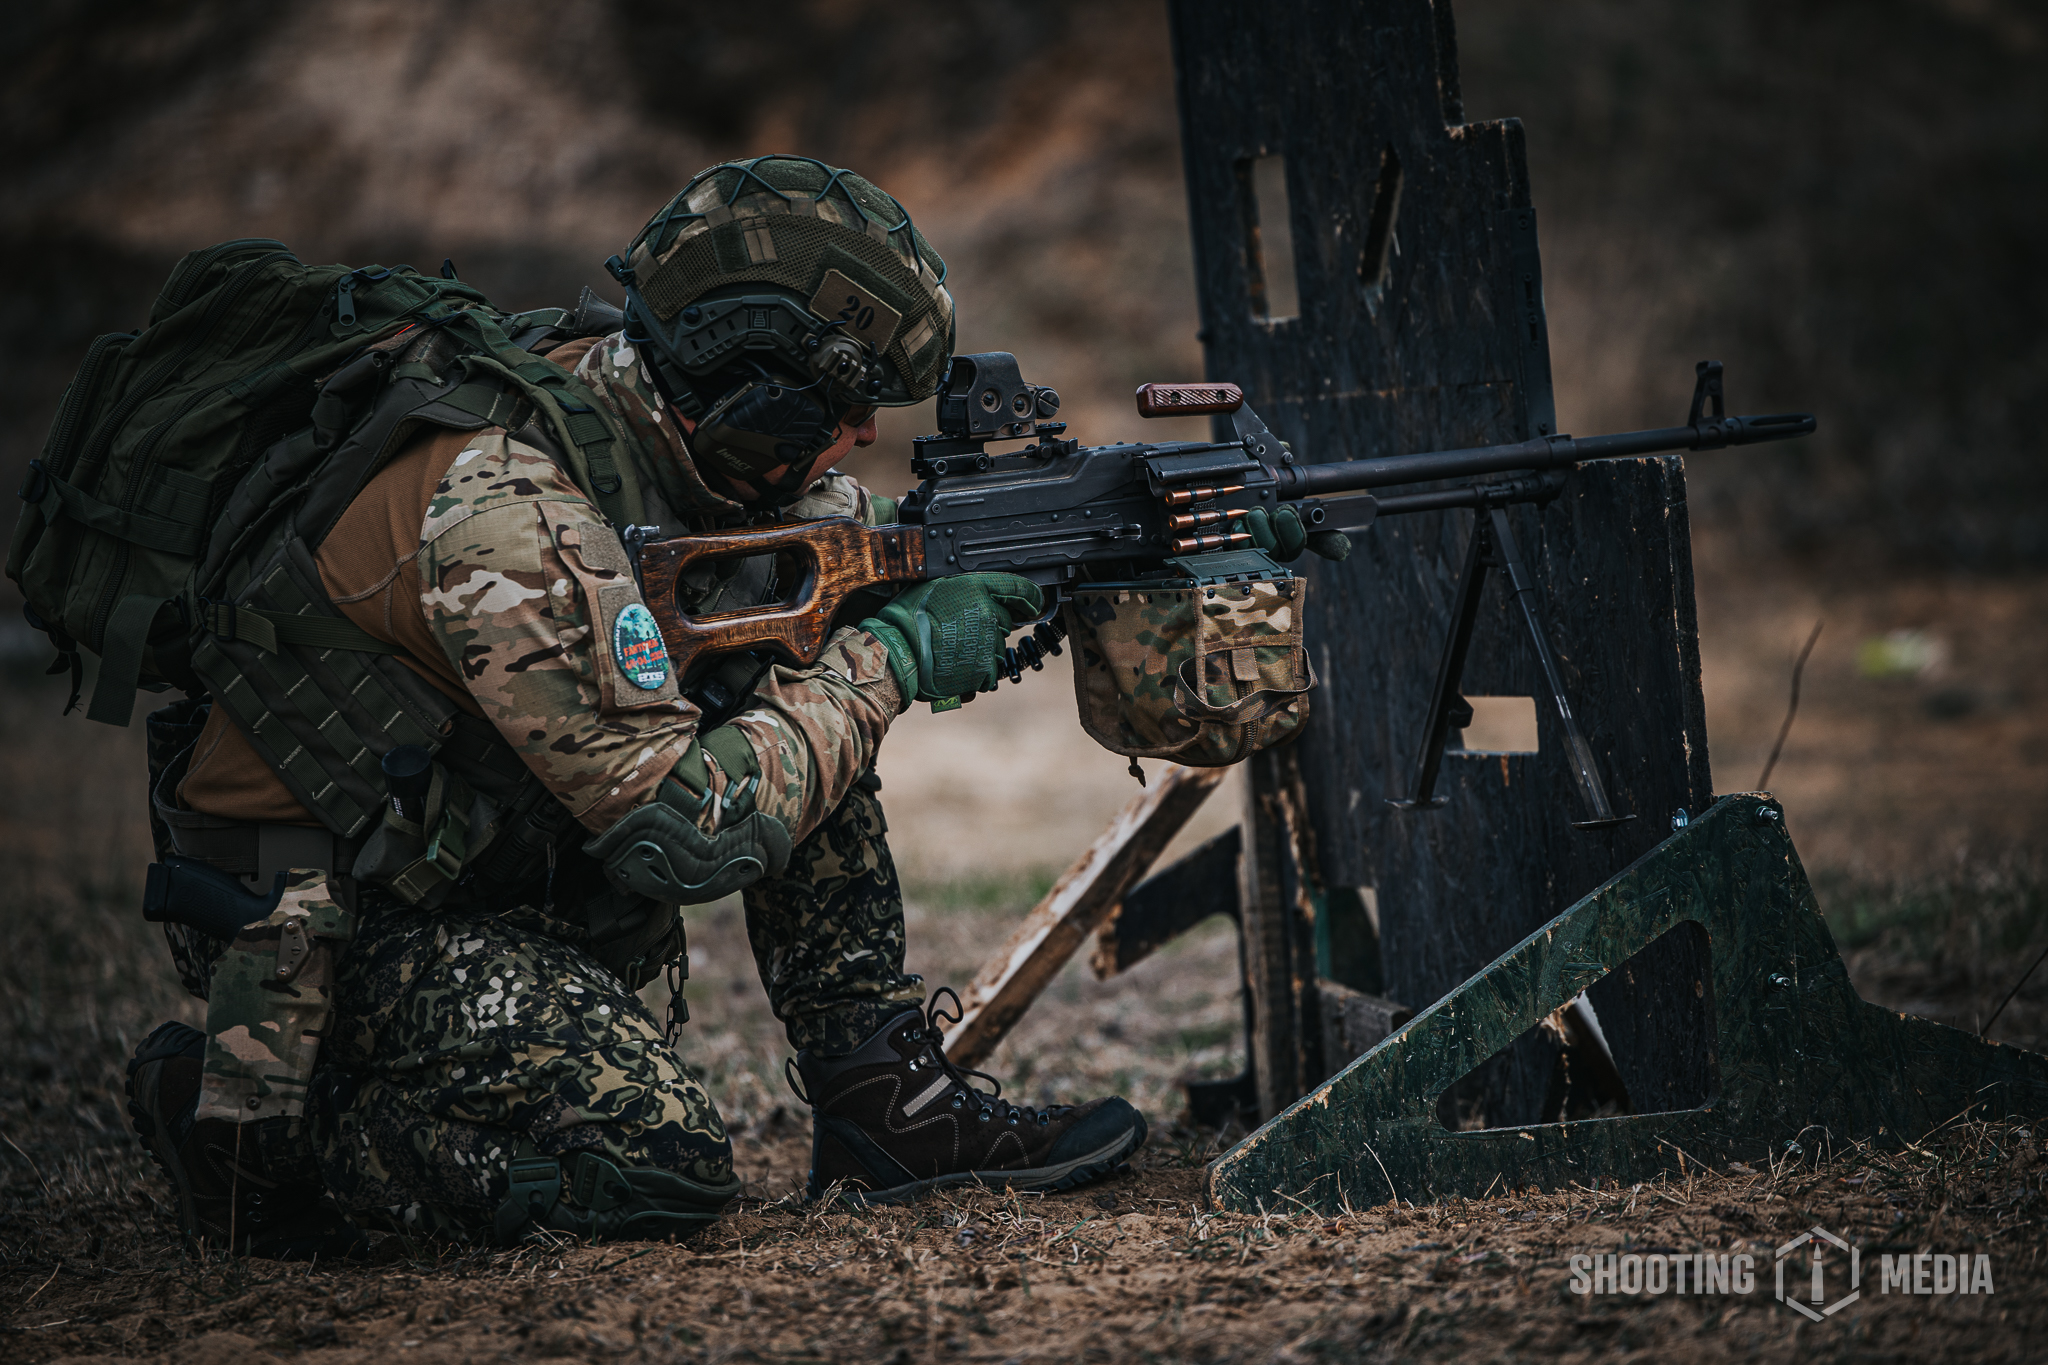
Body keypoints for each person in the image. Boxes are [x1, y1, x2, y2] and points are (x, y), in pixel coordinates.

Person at [123, 155, 1147, 1255]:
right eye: (841, 406)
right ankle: (251, 1135)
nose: (858, 436)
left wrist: (1111, 529)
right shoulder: (508, 513)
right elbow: (681, 839)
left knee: (806, 654)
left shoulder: (651, 428)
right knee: (651, 1174)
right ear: (751, 390)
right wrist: (894, 655)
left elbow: (828, 546)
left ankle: (882, 1106)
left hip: (461, 861)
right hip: (319, 923)